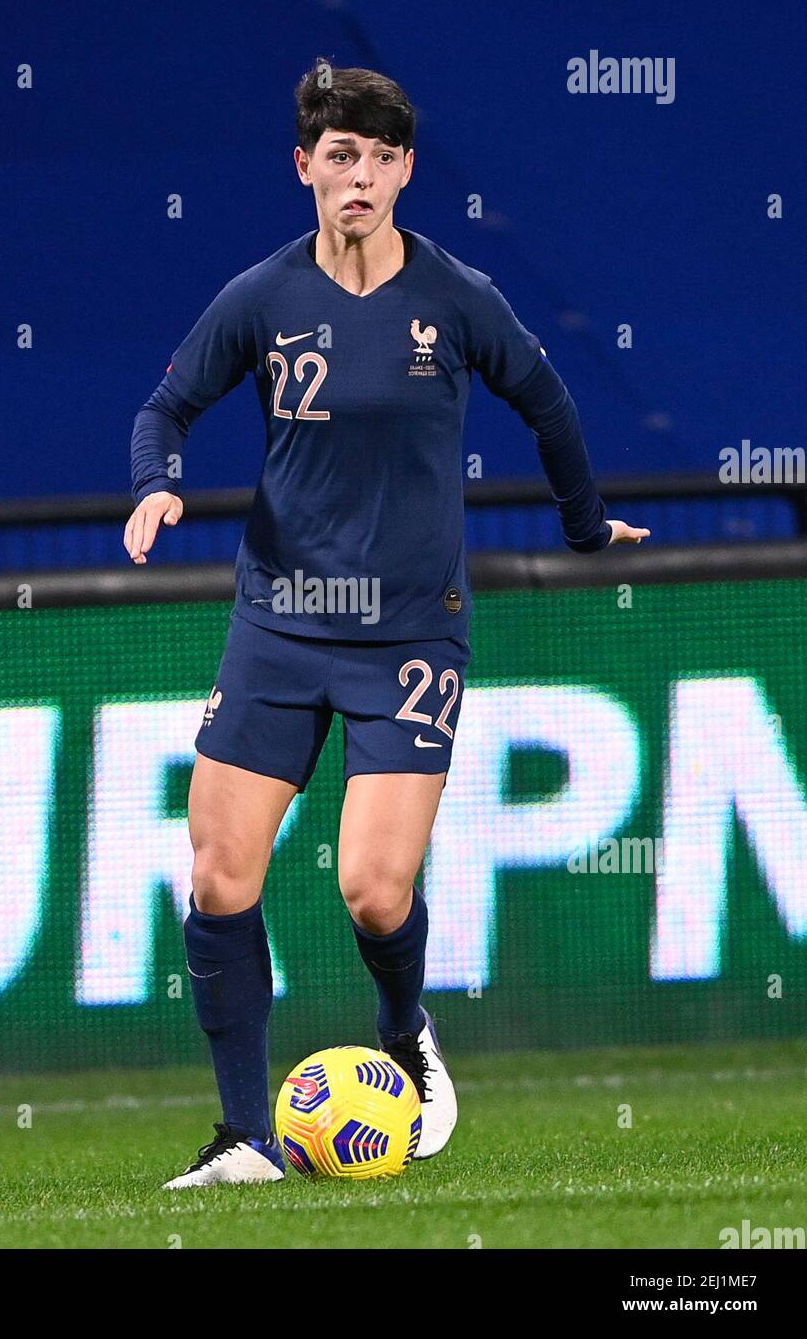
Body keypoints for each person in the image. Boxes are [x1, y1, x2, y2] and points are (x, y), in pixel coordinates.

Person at [125, 61, 650, 1189]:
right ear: (305, 166)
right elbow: (165, 405)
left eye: (376, 157)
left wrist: (584, 526)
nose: (355, 175)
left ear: (404, 171)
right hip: (278, 621)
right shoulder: (260, 298)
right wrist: (154, 482)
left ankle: (405, 1031)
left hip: (409, 632)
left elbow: (547, 402)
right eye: (336, 154)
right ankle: (240, 1139)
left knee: (370, 886)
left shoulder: (455, 296)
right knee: (218, 874)